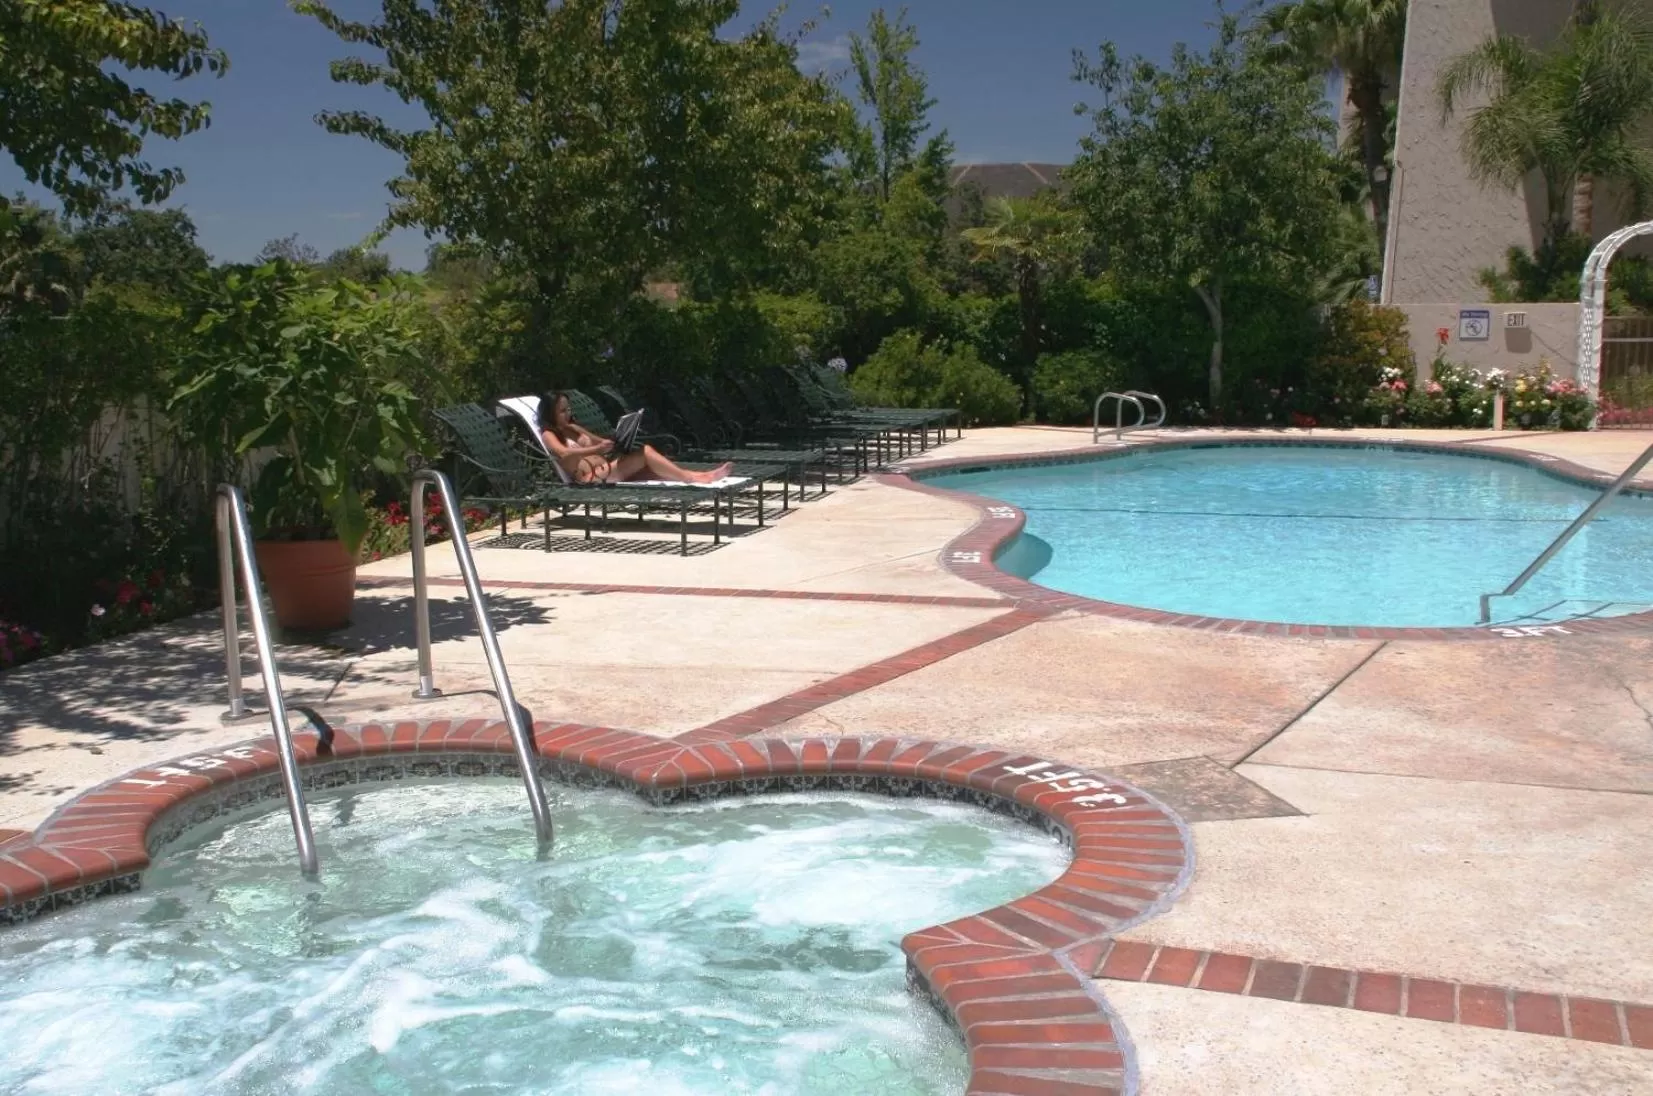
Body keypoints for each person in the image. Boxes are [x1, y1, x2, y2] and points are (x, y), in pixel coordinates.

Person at [538, 391, 734, 485]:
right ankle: (695, 478)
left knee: (653, 470)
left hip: (605, 469)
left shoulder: (572, 428)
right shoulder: (549, 434)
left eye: (569, 408)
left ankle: (700, 475)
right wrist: (596, 450)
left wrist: (619, 438)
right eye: (562, 410)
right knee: (645, 453)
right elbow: (564, 453)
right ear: (550, 413)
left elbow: (601, 442)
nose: (568, 413)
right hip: (591, 477)